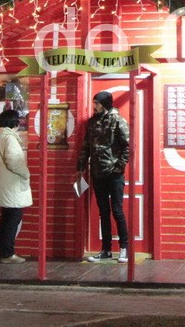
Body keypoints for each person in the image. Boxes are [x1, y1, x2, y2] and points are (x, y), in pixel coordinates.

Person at [76, 91, 130, 263]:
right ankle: (105, 250)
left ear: (104, 104)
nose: (94, 106)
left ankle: (124, 248)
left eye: (97, 103)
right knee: (103, 212)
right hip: (97, 173)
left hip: (114, 175)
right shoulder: (92, 122)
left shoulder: (117, 120)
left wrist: (118, 167)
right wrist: (81, 167)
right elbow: (86, 147)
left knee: (117, 210)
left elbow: (127, 146)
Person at [0, 109, 32, 263]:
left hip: (5, 184)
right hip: (12, 185)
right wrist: (26, 173)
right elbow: (13, 161)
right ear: (13, 123)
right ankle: (7, 254)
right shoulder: (10, 138)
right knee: (13, 218)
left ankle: (4, 252)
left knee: (7, 218)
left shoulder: (0, 137)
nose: (20, 123)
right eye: (18, 121)